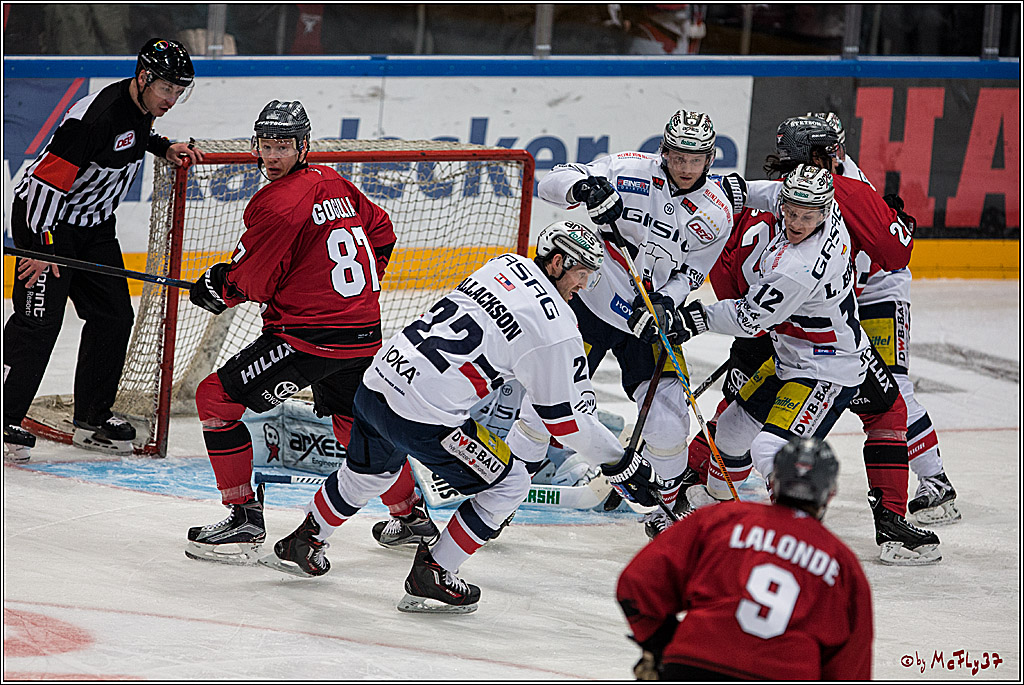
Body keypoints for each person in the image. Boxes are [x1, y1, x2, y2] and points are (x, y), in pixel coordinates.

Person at [259, 220, 664, 614]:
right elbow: (566, 421)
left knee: (369, 474)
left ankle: (304, 540)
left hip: (378, 382)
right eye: (581, 274)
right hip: (423, 416)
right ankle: (434, 572)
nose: (584, 286)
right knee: (510, 484)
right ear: (557, 262)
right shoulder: (556, 327)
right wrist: (621, 464)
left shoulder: (503, 264)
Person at [685, 116, 942, 565]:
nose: (796, 221)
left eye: (805, 216)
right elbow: (779, 196)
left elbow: (747, 315)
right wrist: (730, 188)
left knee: (766, 444)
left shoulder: (797, 263)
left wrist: (692, 318)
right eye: (791, 211)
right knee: (886, 409)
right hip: (818, 344)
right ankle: (889, 522)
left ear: (822, 212)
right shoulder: (829, 202)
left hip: (817, 360)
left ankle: (791, 533)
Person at [184, 100, 411, 565]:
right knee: (355, 427)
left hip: (308, 339)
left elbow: (251, 281)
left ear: (303, 145)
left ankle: (244, 517)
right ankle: (410, 516)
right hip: (363, 332)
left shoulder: (276, 203)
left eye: (283, 147)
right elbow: (382, 231)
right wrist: (353, 292)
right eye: (266, 146)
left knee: (216, 400)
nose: (272, 156)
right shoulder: (334, 181)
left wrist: (218, 287)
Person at [536, 109, 744, 538]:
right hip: (589, 302)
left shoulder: (718, 212)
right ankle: (511, 473)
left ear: (710, 159)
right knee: (546, 400)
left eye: (696, 159)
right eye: (678, 157)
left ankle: (665, 508)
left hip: (647, 319)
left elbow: (692, 272)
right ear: (663, 150)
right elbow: (550, 183)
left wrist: (666, 302)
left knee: (668, 424)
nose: (686, 167)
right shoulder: (628, 169)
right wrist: (585, 187)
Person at [3, 38, 203, 463]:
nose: (172, 99)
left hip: (94, 229)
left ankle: (92, 418)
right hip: (48, 224)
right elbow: (43, 185)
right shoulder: (93, 117)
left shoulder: (141, 108)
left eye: (179, 91)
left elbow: (131, 136)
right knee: (38, 323)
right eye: (166, 88)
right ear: (144, 78)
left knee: (113, 316)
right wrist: (41, 247)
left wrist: (162, 146)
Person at [807, 111, 960, 526]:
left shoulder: (848, 187)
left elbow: (865, 262)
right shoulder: (818, 182)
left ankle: (936, 480)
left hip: (878, 289)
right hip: (850, 293)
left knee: (893, 387)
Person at [616, 436, 873, 680]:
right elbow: (850, 667)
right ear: (830, 492)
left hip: (694, 663)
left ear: (775, 479)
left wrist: (661, 643)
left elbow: (636, 583)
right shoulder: (842, 564)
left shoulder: (722, 520)